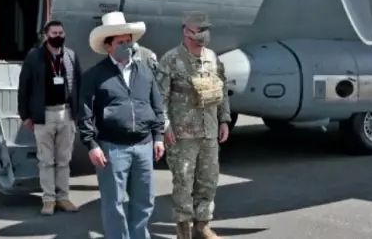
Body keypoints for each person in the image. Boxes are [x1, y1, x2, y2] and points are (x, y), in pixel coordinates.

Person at [78, 12, 166, 239]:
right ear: (109, 46)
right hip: (112, 148)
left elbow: (156, 105)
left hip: (144, 147)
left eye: (129, 41)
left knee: (144, 201)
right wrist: (91, 145)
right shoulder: (94, 76)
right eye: (121, 42)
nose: (127, 46)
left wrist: (158, 137)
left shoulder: (145, 72)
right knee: (114, 203)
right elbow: (84, 113)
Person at [156, 12, 232, 239]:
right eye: (199, 30)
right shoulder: (171, 60)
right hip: (182, 134)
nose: (204, 34)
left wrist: (224, 119)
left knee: (208, 180)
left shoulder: (212, 57)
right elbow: (160, 98)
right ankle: (183, 229)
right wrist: (165, 127)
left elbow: (222, 90)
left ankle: (202, 225)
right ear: (186, 32)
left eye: (206, 29)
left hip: (209, 131)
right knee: (183, 182)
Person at [18, 20, 82, 215]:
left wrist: (77, 113)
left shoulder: (70, 56)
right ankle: (48, 199)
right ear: (46, 36)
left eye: (61, 33)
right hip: (44, 114)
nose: (58, 36)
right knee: (46, 161)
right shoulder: (34, 57)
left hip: (66, 113)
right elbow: (24, 87)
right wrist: (25, 116)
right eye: (54, 33)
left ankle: (63, 197)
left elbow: (79, 84)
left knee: (64, 160)